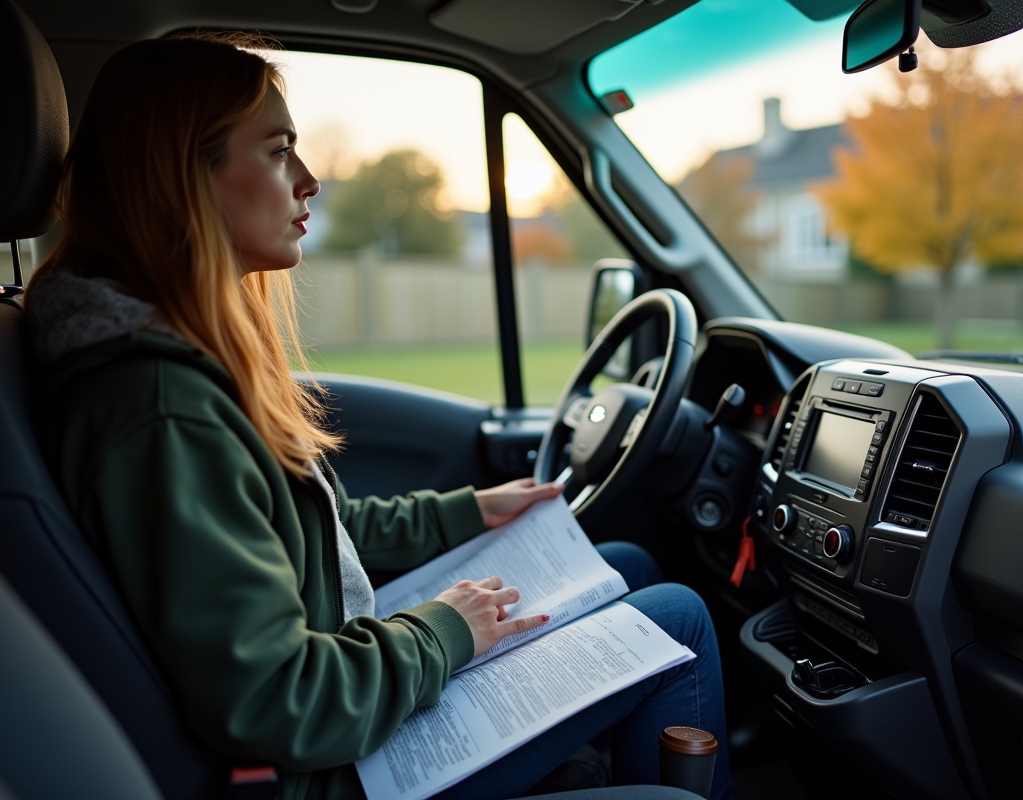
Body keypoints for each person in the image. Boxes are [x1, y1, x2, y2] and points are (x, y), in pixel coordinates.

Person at [23, 34, 732, 800]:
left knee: (623, 566)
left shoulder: (173, 363)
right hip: (333, 771)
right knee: (680, 622)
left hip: (348, 695)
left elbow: (297, 541)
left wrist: (467, 511)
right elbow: (274, 701)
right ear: (184, 176)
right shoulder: (160, 410)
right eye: (277, 151)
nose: (309, 179)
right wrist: (444, 629)